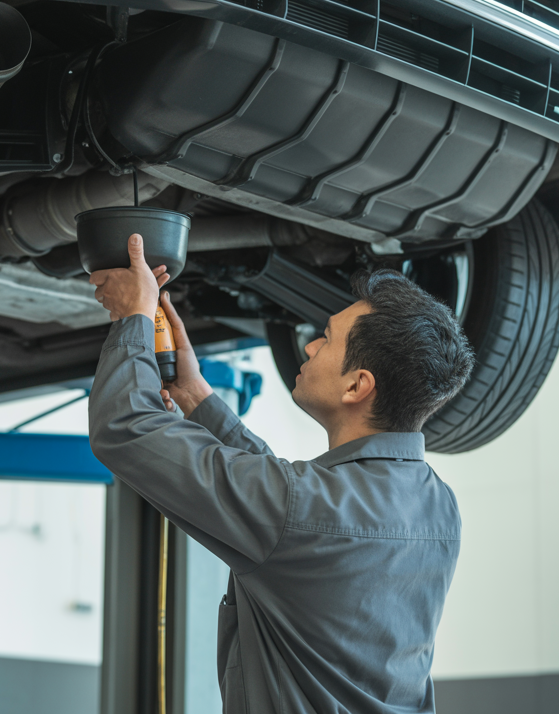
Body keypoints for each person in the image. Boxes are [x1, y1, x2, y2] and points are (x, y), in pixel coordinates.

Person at [88, 233, 475, 714]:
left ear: (358, 385)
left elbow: (123, 428)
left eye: (327, 339)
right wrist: (195, 397)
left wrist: (133, 318)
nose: (310, 346)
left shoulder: (304, 511)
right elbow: (293, 514)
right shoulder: (439, 508)